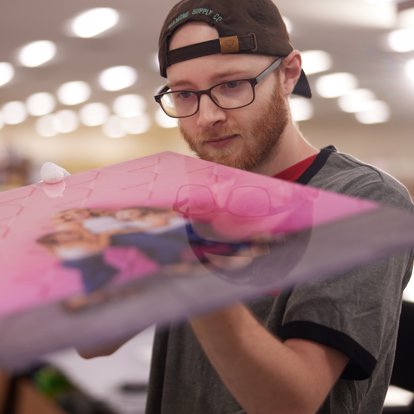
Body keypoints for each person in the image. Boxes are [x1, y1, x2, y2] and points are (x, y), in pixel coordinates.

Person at [43, 0, 414, 412]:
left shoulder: (364, 201)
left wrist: (182, 265)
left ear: (288, 74)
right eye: (185, 94)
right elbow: (93, 341)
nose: (207, 116)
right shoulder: (190, 200)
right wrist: (71, 249)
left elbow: (291, 403)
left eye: (232, 85)